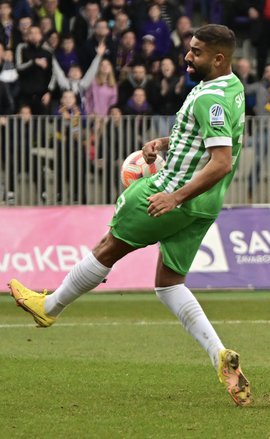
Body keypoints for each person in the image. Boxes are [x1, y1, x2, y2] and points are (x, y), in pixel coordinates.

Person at [8, 24, 252, 407]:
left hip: (169, 193)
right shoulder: (231, 89)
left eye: (196, 52)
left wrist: (173, 196)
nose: (187, 56)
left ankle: (49, 308)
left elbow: (221, 162)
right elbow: (220, 142)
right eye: (189, 49)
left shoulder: (210, 100)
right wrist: (166, 142)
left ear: (218, 57)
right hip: (205, 205)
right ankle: (220, 355)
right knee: (169, 283)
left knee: (107, 246)